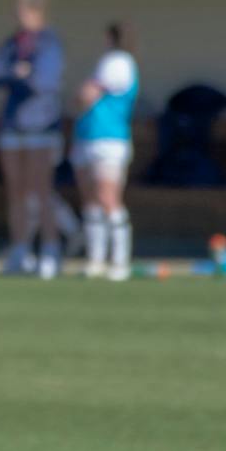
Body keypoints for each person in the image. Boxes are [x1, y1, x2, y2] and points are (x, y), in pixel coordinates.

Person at [0, 0, 66, 279]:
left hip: (41, 126)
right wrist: (16, 73)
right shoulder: (12, 43)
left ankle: (50, 249)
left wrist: (20, 75)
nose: (20, 14)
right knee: (16, 192)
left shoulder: (49, 43)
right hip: (12, 125)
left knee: (40, 191)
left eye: (26, 9)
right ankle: (20, 250)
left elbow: (43, 81)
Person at [71, 23, 140, 281]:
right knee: (90, 201)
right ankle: (96, 259)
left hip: (109, 140)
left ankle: (120, 261)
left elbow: (86, 94)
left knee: (108, 198)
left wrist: (83, 94)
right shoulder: (109, 61)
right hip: (87, 137)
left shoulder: (119, 61)